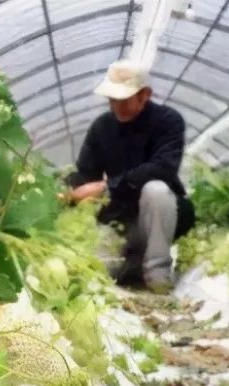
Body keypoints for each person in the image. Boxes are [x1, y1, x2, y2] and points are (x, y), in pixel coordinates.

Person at [61, 59, 195, 294]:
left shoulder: (168, 121)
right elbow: (85, 171)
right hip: (120, 222)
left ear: (145, 94)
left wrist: (106, 187)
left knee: (156, 189)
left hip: (157, 221)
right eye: (113, 100)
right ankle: (131, 264)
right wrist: (69, 190)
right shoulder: (102, 127)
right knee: (103, 273)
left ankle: (158, 276)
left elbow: (162, 169)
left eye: (124, 100)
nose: (117, 106)